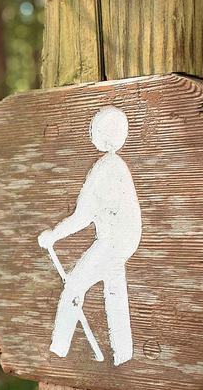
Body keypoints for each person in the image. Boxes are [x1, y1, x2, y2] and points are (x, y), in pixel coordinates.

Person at [38, 106, 142, 365]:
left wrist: (53, 235)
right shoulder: (118, 166)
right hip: (124, 243)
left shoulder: (105, 168)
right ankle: (123, 353)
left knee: (74, 285)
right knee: (115, 291)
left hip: (113, 243)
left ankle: (59, 348)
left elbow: (82, 216)